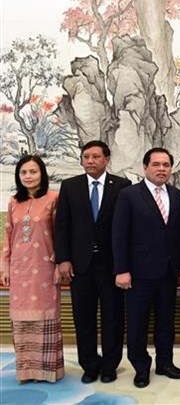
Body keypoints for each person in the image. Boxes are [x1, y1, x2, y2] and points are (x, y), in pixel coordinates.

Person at [55, 140, 130, 384]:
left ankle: (109, 365)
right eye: (86, 156)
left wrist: (125, 265)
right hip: (80, 265)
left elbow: (127, 229)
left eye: (95, 156)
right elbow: (62, 226)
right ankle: (89, 364)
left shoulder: (122, 186)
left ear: (107, 159)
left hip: (112, 265)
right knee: (83, 317)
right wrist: (63, 259)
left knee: (113, 317)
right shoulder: (70, 186)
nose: (90, 161)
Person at [113, 148, 180, 388]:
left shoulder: (177, 195)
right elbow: (119, 235)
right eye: (156, 164)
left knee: (166, 322)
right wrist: (121, 269)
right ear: (145, 167)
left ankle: (165, 363)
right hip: (138, 274)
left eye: (166, 165)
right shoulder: (129, 195)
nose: (161, 169)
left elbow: (179, 234)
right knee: (137, 323)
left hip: (168, 272)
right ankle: (141, 368)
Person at [1, 155, 63, 383]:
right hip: (19, 270)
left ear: (42, 174)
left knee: (45, 318)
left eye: (33, 172)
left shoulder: (53, 198)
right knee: (21, 321)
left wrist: (59, 263)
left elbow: (60, 235)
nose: (28, 176)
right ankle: (27, 371)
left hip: (45, 268)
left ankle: (46, 371)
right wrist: (4, 266)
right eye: (24, 172)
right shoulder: (13, 202)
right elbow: (8, 236)